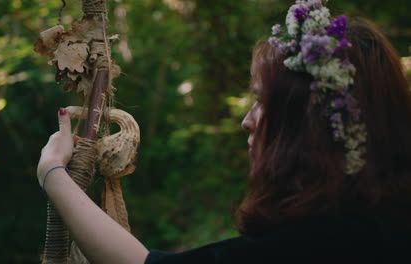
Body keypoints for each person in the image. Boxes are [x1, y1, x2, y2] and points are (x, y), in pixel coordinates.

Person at [37, 1, 411, 263]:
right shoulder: (383, 224)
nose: (247, 119)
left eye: (263, 101)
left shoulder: (320, 244)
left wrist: (54, 174)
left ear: (307, 124)